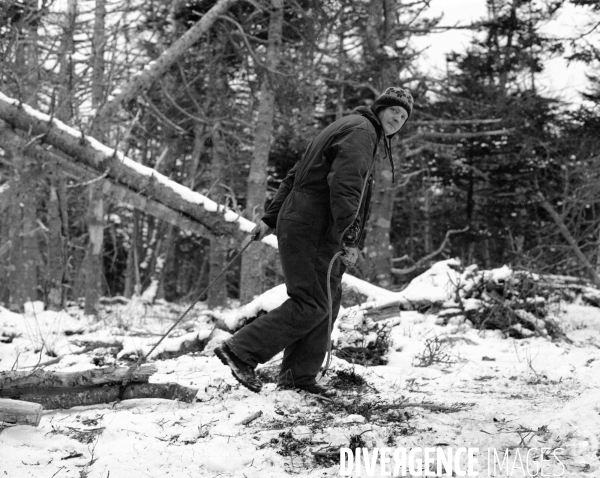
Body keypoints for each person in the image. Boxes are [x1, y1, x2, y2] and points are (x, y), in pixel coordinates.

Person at [215, 87, 414, 396]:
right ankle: (241, 351)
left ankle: (299, 378)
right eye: (394, 111)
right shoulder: (362, 132)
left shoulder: (349, 126)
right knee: (312, 302)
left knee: (326, 301)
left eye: (403, 117)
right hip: (315, 226)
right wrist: (348, 234)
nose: (397, 119)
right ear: (380, 108)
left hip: (305, 221)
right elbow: (346, 185)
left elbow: (296, 173)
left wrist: (271, 217)